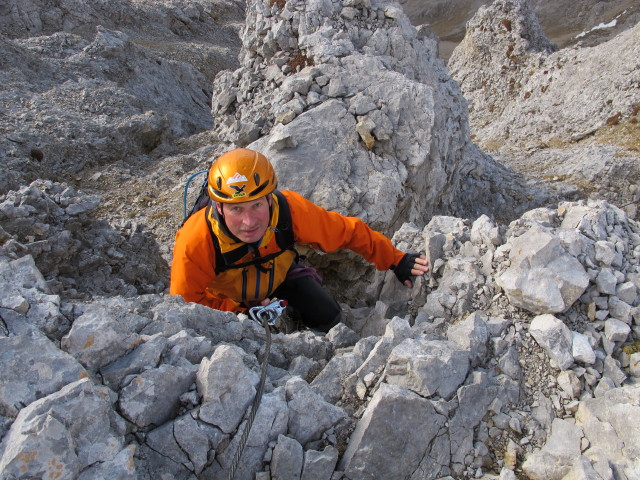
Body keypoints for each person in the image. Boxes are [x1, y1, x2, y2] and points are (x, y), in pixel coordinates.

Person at [170, 148, 429, 332]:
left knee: (330, 319)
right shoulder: (196, 240)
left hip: (281, 277)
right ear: (218, 207)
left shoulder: (289, 211)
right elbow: (184, 303)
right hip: (228, 300)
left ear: (270, 198)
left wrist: (395, 259)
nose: (249, 222)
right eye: (236, 209)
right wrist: (237, 312)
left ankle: (292, 316)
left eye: (256, 205)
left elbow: (347, 232)